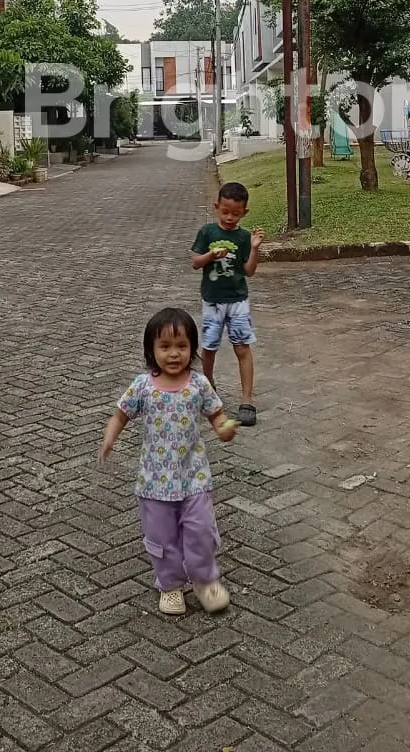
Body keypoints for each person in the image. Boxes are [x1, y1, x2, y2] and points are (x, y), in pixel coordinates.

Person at [99, 307, 237, 617]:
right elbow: (120, 414)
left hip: (194, 478)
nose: (174, 354)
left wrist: (224, 429)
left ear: (192, 348)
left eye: (182, 346)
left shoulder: (199, 384)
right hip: (154, 482)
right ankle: (171, 585)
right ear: (151, 350)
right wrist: (110, 437)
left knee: (201, 532)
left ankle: (205, 582)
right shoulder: (143, 386)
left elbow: (217, 416)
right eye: (165, 346)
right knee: (162, 539)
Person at [191, 181, 264, 426]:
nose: (230, 218)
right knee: (209, 347)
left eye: (235, 213)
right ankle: (208, 387)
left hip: (237, 301)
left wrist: (254, 249)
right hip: (212, 301)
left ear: (244, 212)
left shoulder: (243, 237)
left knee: (242, 347)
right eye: (225, 212)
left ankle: (247, 399)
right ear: (216, 207)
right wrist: (211, 255)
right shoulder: (208, 232)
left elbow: (249, 271)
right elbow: (196, 263)